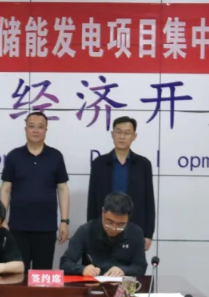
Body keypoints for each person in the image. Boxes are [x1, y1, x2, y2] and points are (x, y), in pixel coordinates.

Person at [0, 111, 70, 270]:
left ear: (46, 130)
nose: (36, 130)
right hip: (17, 228)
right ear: (25, 129)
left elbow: (62, 189)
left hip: (46, 228)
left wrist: (64, 221)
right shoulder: (14, 156)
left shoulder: (55, 156)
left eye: (40, 127)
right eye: (32, 126)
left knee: (42, 274)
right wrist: (3, 220)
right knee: (17, 273)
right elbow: (5, 189)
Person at [87, 116, 155, 251]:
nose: (122, 137)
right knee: (103, 263)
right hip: (104, 228)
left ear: (134, 136)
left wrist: (148, 234)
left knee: (132, 264)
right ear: (112, 134)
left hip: (134, 227)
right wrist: (91, 230)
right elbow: (92, 200)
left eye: (127, 133)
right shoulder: (99, 163)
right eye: (118, 132)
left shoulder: (143, 165)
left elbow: (149, 201)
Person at [60, 192, 148, 277]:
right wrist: (82, 269)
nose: (114, 228)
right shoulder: (86, 231)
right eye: (109, 222)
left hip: (122, 283)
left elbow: (140, 267)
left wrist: (123, 270)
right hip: (92, 283)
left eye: (120, 225)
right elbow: (65, 263)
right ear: (103, 212)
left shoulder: (136, 233)